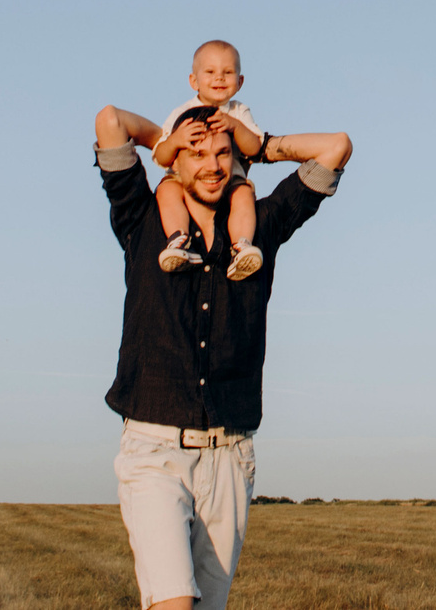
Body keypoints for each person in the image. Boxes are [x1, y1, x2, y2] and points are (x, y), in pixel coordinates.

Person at [93, 98, 352, 610]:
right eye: (197, 154)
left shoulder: (259, 230)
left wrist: (257, 143)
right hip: (155, 451)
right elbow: (110, 121)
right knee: (174, 602)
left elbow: (336, 148)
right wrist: (166, 141)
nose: (210, 165)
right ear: (175, 164)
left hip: (231, 457)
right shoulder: (141, 219)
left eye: (221, 153)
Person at [144, 40, 271, 279]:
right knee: (166, 191)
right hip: (183, 178)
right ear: (194, 81)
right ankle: (177, 240)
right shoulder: (182, 113)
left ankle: (241, 246)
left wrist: (236, 127)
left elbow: (254, 147)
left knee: (244, 194)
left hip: (229, 178)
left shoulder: (238, 111)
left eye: (228, 72)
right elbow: (161, 157)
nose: (219, 79)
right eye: (210, 72)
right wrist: (176, 140)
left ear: (240, 82)